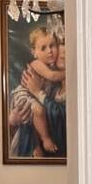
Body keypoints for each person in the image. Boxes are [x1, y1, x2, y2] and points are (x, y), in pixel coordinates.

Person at [8, 27, 66, 158]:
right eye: (43, 48)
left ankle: (36, 146)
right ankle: (45, 140)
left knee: (37, 115)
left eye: (52, 45)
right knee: (39, 111)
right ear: (34, 52)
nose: (50, 51)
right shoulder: (37, 64)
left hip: (33, 96)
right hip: (24, 96)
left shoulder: (52, 66)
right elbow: (53, 76)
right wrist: (69, 72)